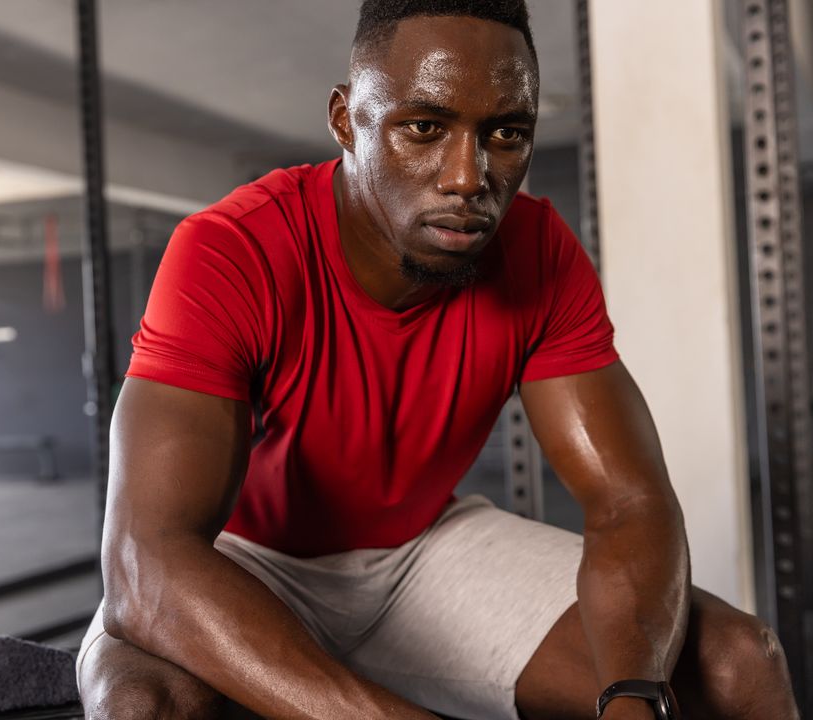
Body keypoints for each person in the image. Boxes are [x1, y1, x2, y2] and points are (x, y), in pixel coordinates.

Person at [77, 1, 801, 718]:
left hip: (420, 553)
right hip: (242, 557)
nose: (467, 177)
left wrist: (633, 697)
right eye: (424, 127)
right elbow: (145, 563)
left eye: (506, 133)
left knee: (737, 667)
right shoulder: (231, 250)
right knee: (145, 706)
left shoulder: (540, 252)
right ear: (344, 119)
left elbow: (628, 502)